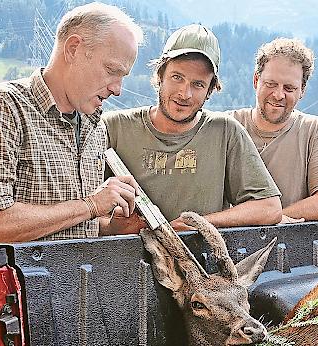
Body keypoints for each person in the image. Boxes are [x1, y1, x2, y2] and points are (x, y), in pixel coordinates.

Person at [0, 3, 144, 346]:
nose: (119, 89)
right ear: (73, 48)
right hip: (11, 314)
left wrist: (110, 229)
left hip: (81, 310)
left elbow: (64, 226)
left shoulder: (93, 125)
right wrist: (92, 204)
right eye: (112, 71)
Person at [103, 24, 282, 232]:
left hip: (201, 261)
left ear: (210, 90)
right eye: (177, 77)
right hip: (122, 261)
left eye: (198, 84)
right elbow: (79, 212)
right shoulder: (114, 127)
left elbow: (270, 208)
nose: (184, 94)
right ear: (160, 75)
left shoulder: (224, 132)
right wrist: (110, 227)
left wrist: (198, 223)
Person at [230, 38, 318, 222]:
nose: (278, 94)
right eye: (271, 84)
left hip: (291, 246)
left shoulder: (313, 130)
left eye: (289, 88)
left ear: (302, 90)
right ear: (256, 80)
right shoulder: (229, 126)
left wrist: (272, 217)